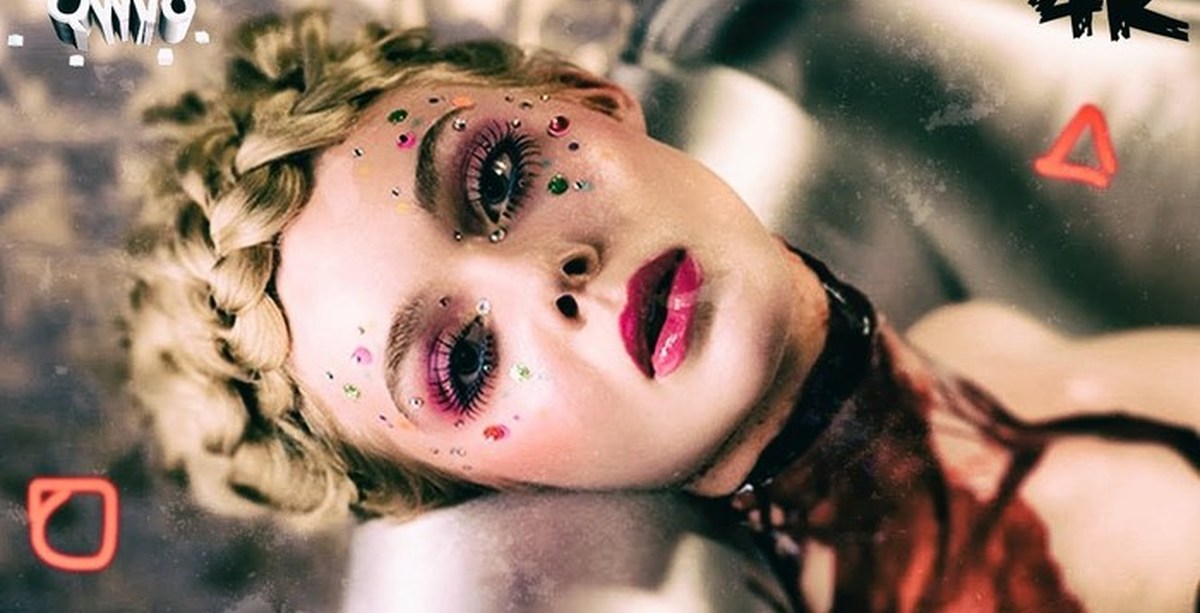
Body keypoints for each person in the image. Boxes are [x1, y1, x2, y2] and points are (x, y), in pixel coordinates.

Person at [126, 11, 1200, 611]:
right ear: (485, 487)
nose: (549, 281)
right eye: (464, 364)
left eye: (498, 177)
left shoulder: (989, 344)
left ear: (589, 100)